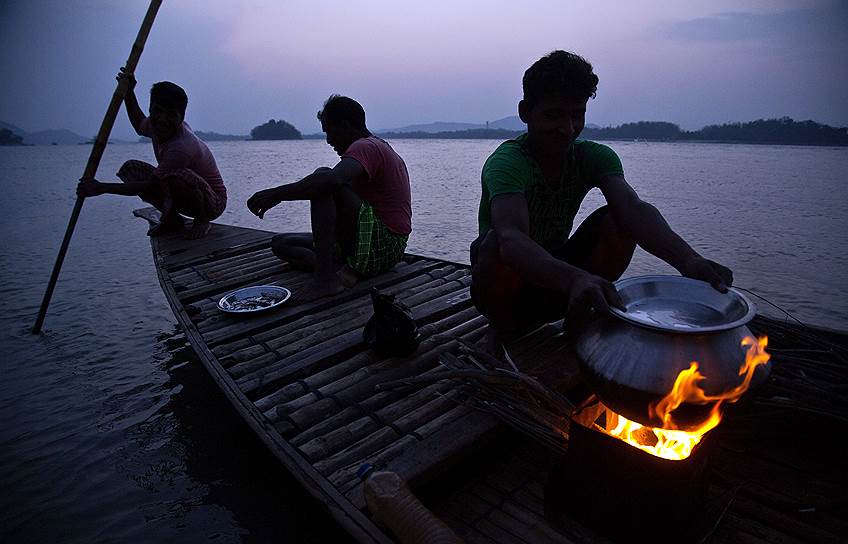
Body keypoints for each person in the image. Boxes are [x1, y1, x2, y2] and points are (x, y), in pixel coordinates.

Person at [471, 50, 732, 348]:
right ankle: (503, 327)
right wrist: (575, 279)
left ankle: (580, 311)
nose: (567, 129)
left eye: (576, 114)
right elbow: (512, 238)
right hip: (507, 288)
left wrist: (689, 260)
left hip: (562, 277)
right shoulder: (507, 162)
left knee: (618, 222)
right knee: (495, 243)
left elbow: (633, 209)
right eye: (553, 115)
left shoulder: (593, 156)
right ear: (525, 112)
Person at [247, 95, 412, 302]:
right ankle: (340, 270)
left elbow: (331, 181)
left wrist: (276, 194)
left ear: (344, 126)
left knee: (324, 180)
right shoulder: (372, 146)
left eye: (329, 132)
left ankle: (325, 281)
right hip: (372, 243)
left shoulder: (367, 146)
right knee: (281, 243)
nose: (328, 140)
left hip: (384, 246)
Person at [77, 69, 227, 239]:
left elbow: (151, 185)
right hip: (184, 193)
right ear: (150, 109)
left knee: (176, 176)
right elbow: (139, 123)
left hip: (212, 203)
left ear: (181, 117)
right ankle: (172, 220)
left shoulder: (182, 146)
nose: (162, 119)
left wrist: (101, 188)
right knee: (131, 169)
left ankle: (201, 220)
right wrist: (129, 93)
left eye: (171, 114)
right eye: (157, 111)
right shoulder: (157, 127)